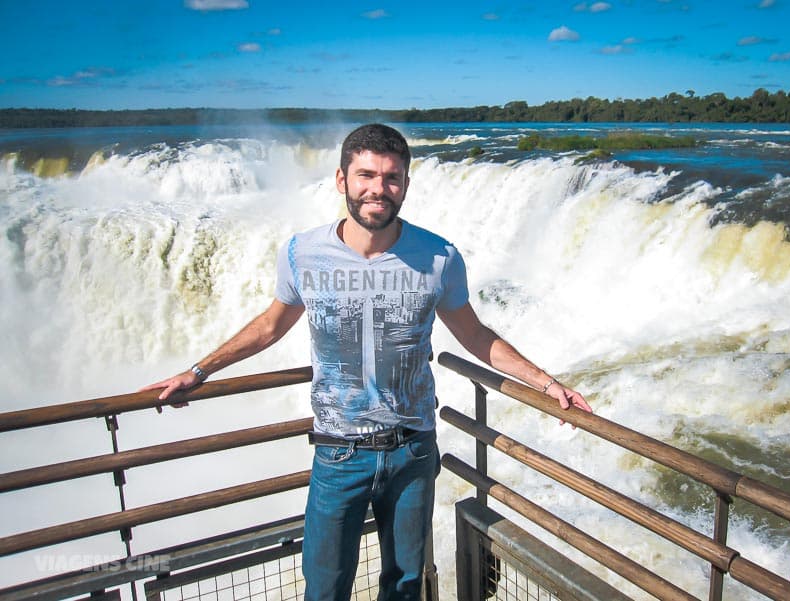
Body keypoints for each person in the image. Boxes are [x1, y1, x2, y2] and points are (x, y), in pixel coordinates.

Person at [142, 123, 592, 601]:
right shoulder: (302, 253)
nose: (379, 188)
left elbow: (475, 335)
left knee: (403, 585)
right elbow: (270, 326)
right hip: (339, 452)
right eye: (366, 175)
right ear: (342, 181)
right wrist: (199, 370)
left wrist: (546, 383)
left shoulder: (439, 257)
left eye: (392, 178)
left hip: (412, 451)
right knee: (325, 587)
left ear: (405, 185)